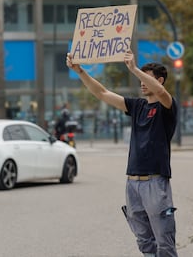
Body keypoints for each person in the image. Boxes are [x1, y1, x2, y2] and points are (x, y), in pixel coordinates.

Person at [66, 50, 178, 257]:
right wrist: (80, 71)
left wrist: (134, 69)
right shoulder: (137, 106)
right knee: (144, 241)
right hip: (132, 183)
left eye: (147, 78)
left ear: (160, 80)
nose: (141, 83)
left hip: (155, 182)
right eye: (140, 78)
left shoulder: (167, 107)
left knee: (164, 242)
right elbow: (102, 93)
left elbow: (162, 93)